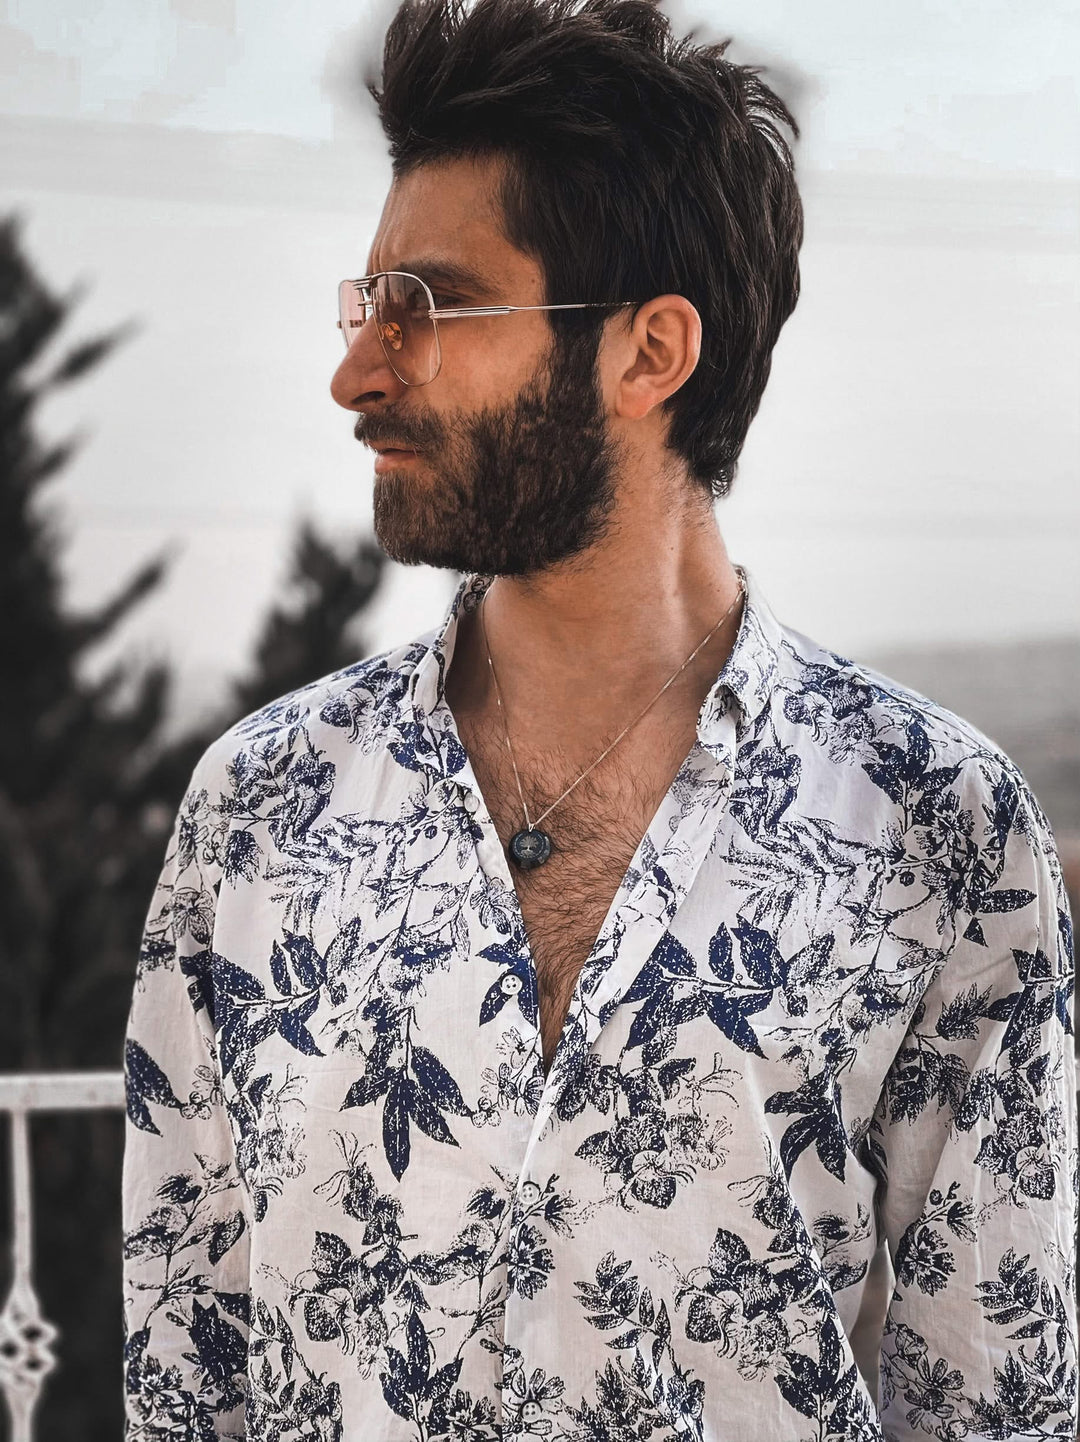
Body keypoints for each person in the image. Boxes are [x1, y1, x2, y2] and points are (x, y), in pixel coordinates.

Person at [121, 0, 1078, 1436]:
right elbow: (184, 1366)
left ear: (649, 354)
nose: (359, 371)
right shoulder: (259, 811)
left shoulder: (935, 822)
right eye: (367, 302)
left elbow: (995, 1394)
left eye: (429, 306)